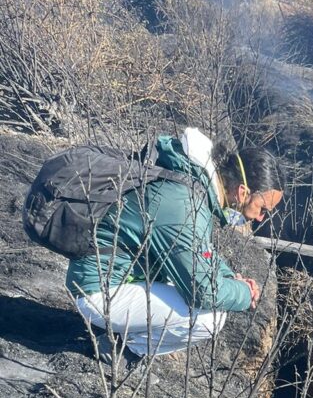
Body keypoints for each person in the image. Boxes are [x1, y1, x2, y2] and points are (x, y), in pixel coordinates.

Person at [67, 128, 283, 362]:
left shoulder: (188, 185)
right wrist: (244, 293)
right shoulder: (183, 206)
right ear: (243, 192)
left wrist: (229, 276)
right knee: (209, 318)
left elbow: (197, 250)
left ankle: (120, 329)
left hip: (109, 274)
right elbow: (203, 293)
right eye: (263, 209)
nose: (261, 218)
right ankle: (123, 348)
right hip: (98, 292)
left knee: (189, 280)